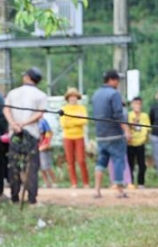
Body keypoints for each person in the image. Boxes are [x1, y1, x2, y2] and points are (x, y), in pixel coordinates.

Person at [3, 68, 48, 204]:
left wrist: (14, 124)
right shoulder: (41, 95)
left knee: (14, 164)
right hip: (31, 132)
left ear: (27, 77)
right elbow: (39, 114)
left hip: (15, 132)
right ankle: (32, 198)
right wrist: (24, 123)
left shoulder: (13, 93)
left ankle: (14, 196)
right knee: (31, 165)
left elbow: (6, 110)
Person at [91, 69, 131, 198]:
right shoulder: (114, 94)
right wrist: (126, 130)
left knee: (101, 162)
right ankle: (119, 190)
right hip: (114, 134)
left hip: (100, 134)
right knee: (118, 160)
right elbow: (118, 114)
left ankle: (97, 190)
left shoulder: (95, 94)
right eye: (117, 80)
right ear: (112, 80)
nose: (118, 83)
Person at [59, 87, 90, 188]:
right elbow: (63, 123)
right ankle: (74, 182)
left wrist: (71, 120)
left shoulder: (81, 108)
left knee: (81, 160)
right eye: (71, 96)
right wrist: (76, 119)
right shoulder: (64, 109)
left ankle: (86, 182)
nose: (73, 98)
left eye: (75, 96)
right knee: (70, 160)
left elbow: (84, 121)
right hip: (67, 137)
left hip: (79, 136)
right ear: (68, 98)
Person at [126, 95, 150, 189]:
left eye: (139, 104)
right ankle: (130, 182)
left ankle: (141, 183)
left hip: (141, 142)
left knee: (142, 164)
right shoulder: (129, 115)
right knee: (130, 164)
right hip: (130, 143)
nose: (137, 105)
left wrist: (145, 139)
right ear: (132, 105)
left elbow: (147, 128)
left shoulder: (144, 116)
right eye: (135, 103)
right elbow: (127, 127)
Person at [38, 117, 56, 188]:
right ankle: (47, 183)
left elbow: (49, 132)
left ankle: (54, 182)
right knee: (41, 168)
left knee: (47, 167)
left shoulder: (43, 121)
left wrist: (47, 143)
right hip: (37, 147)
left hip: (44, 148)